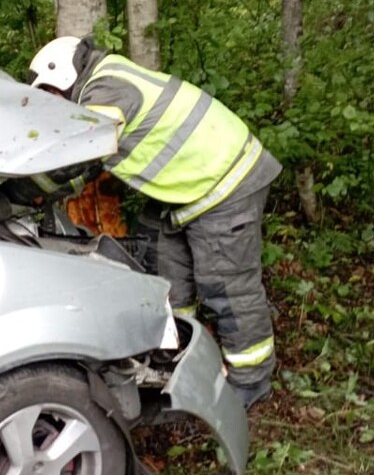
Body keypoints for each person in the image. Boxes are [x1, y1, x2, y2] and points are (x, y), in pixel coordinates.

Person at [28, 35, 282, 409]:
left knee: (227, 286)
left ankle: (251, 379)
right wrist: (46, 190)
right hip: (188, 189)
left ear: (64, 74)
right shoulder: (105, 82)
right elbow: (95, 162)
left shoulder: (105, 90)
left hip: (226, 182)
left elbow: (81, 152)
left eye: (51, 91)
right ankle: (179, 349)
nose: (54, 102)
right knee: (162, 269)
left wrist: (24, 188)